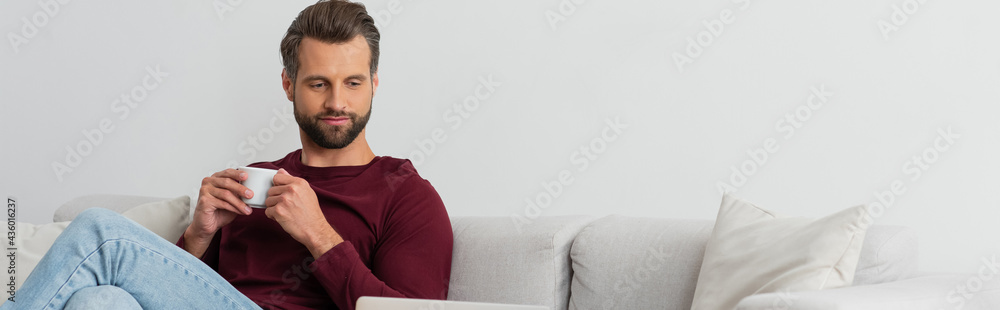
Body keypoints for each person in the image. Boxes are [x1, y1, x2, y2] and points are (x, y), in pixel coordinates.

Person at [2, 1, 453, 309]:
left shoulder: (407, 197)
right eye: (319, 83)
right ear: (289, 85)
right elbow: (177, 292)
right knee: (99, 302)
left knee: (101, 232)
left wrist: (318, 235)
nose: (337, 101)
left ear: (374, 84)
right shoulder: (255, 181)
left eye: (352, 83)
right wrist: (199, 235)